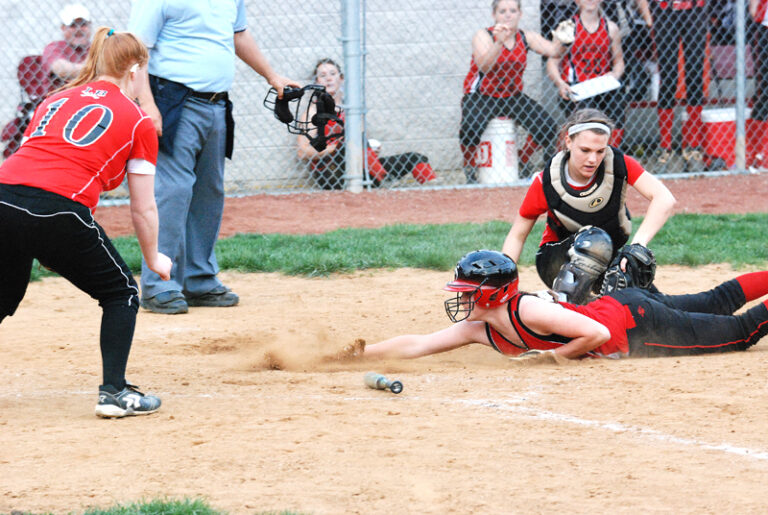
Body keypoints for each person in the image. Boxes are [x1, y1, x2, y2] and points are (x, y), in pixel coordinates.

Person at [0, 27, 171, 417]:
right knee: (121, 292)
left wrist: (46, 243)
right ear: (135, 69)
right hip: (57, 208)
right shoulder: (139, 120)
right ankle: (114, 393)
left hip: (3, 195)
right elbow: (143, 208)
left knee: (3, 295)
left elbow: (38, 164)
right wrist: (154, 258)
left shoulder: (54, 99)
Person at [128, 1, 299, 315]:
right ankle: (160, 284)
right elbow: (136, 52)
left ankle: (199, 280)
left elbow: (239, 35)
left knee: (209, 192)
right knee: (174, 191)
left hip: (217, 104)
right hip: (173, 99)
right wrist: (148, 105)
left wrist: (272, 76)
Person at [362, 249, 768, 361]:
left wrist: (552, 358)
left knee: (739, 333)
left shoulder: (527, 311)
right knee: (718, 301)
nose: (461, 296)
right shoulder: (480, 327)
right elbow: (417, 344)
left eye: (467, 290)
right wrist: (358, 354)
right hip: (624, 305)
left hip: (636, 324)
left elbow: (597, 334)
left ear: (491, 293)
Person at [501, 108, 676, 304]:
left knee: (650, 303)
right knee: (594, 242)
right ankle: (563, 304)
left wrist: (638, 244)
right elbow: (517, 234)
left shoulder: (618, 164)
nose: (593, 159)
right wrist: (501, 281)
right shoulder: (548, 181)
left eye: (600, 151)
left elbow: (664, 198)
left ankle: (597, 307)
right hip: (557, 261)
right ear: (568, 142)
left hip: (605, 259)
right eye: (585, 150)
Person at [460, 0, 575, 183]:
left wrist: (564, 40)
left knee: (546, 127)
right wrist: (499, 43)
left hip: (512, 96)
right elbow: (484, 67)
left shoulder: (525, 37)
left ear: (520, 14)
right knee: (470, 128)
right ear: (494, 15)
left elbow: (553, 52)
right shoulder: (483, 36)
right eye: (502, 11)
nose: (507, 15)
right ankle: (470, 165)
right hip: (481, 95)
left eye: (513, 11)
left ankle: (522, 158)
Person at [297, 58, 438, 189]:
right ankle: (382, 178)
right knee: (347, 143)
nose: (328, 78)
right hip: (332, 172)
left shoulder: (352, 110)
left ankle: (434, 189)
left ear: (341, 79)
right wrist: (334, 148)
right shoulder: (312, 112)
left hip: (363, 168)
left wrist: (370, 150)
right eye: (322, 75)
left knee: (415, 158)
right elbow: (302, 152)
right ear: (316, 83)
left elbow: (363, 142)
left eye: (333, 74)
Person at [546, 0, 628, 148]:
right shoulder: (567, 27)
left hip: (602, 86)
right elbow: (552, 62)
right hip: (577, 87)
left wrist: (614, 75)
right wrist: (560, 83)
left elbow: (619, 62)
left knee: (618, 105)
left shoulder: (610, 28)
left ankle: (610, 156)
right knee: (587, 118)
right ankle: (565, 155)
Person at [648, 0, 708, 172]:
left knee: (695, 75)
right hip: (665, 9)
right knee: (668, 78)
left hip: (695, 9)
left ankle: (693, 147)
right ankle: (665, 147)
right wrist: (649, 17)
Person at [42, 3, 93, 92]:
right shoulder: (54, 47)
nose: (78, 29)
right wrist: (94, 67)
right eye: (73, 25)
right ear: (63, 28)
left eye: (83, 24)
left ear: (89, 26)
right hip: (61, 100)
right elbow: (62, 70)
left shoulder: (96, 46)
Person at [748, 0, 768, 170]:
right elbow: (754, 10)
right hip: (765, 29)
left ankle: (761, 153)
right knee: (764, 89)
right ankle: (757, 152)